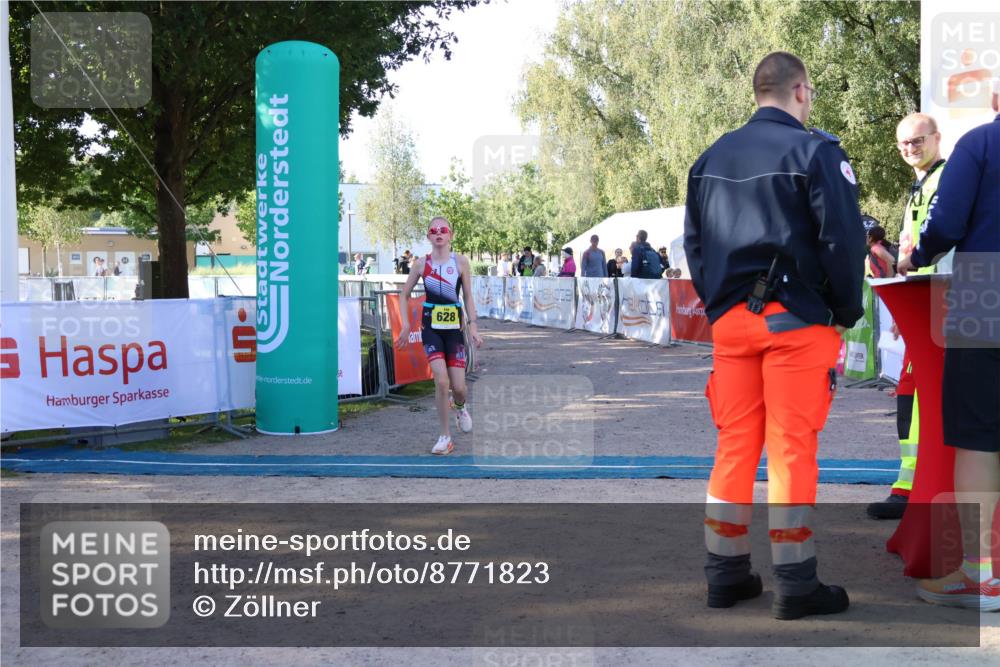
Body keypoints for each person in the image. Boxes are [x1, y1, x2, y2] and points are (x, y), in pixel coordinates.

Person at [684, 51, 864, 619]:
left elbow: (694, 246)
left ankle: (726, 574)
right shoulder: (816, 152)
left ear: (756, 91)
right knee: (791, 451)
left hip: (732, 325)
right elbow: (843, 241)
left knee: (734, 446)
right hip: (796, 322)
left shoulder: (709, 159)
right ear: (801, 91)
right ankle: (795, 582)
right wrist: (844, 310)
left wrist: (722, 305)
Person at [898, 103, 1000, 611]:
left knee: (979, 437)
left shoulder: (979, 144)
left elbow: (947, 225)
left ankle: (982, 576)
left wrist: (916, 255)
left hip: (987, 292)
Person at [866, 114, 947, 520]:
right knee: (910, 396)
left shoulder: (943, 180)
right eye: (902, 144)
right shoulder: (922, 184)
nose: (909, 149)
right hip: (925, 303)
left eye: (916, 141)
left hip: (944, 302)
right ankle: (909, 484)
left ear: (936, 138)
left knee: (920, 398)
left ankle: (913, 488)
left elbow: (939, 242)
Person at [396, 217, 484, 455]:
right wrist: (405, 326)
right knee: (441, 381)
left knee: (459, 387)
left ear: (450, 235)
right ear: (428, 236)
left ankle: (460, 406)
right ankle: (445, 437)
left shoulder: (461, 262)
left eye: (442, 230)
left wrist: (473, 326)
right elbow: (403, 295)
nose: (438, 234)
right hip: (431, 330)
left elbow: (467, 296)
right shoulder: (421, 264)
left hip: (455, 332)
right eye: (433, 231)